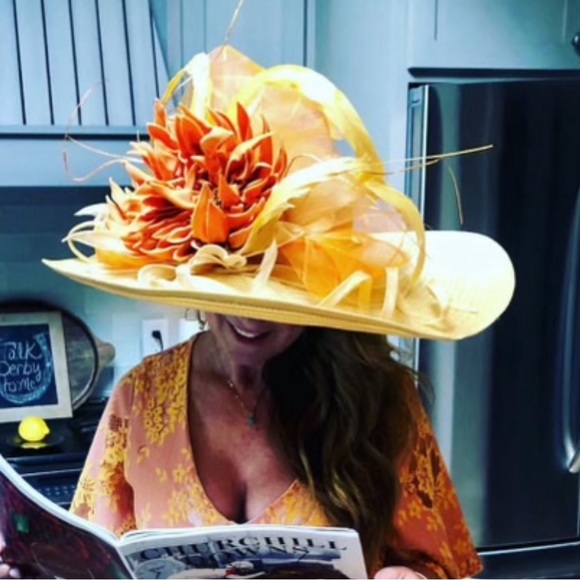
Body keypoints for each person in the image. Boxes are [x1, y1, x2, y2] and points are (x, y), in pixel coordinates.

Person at [0, 44, 515, 579]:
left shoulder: (380, 399)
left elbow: (443, 566)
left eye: (280, 296)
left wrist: (409, 577)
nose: (252, 319)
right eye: (234, 292)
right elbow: (88, 567)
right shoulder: (139, 398)